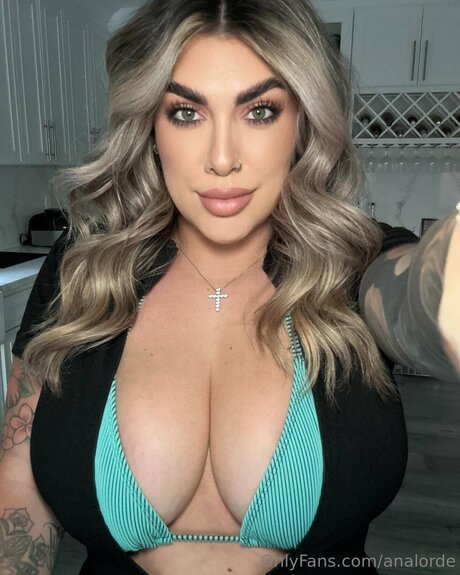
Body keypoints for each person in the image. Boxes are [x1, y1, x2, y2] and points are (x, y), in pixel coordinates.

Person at [0, 1, 458, 573]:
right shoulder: (83, 269)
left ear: (302, 124)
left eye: (260, 111)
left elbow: (415, 300)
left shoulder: (356, 263)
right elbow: (18, 481)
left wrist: (443, 280)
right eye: (186, 113)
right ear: (150, 127)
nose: (222, 159)